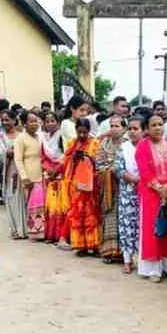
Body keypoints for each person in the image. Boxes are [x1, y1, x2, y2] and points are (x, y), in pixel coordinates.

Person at [135, 112, 167, 281]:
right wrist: (160, 189)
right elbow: (144, 172)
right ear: (146, 129)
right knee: (153, 229)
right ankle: (153, 269)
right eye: (153, 125)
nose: (158, 128)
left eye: (160, 124)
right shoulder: (143, 146)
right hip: (152, 193)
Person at [63, 118, 102, 254]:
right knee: (77, 214)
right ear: (76, 131)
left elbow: (99, 162)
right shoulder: (72, 143)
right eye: (79, 132)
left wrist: (88, 158)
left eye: (84, 132)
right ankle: (80, 246)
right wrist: (73, 158)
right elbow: (65, 161)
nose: (82, 135)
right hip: (76, 185)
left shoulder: (95, 143)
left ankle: (93, 244)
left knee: (91, 214)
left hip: (90, 185)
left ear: (89, 130)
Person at [97, 115, 126, 262]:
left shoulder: (127, 144)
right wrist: (110, 170)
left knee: (124, 218)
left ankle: (124, 252)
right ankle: (109, 252)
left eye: (117, 126)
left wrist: (118, 170)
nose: (114, 129)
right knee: (109, 218)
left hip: (125, 188)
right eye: (112, 126)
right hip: (108, 188)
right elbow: (99, 164)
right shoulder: (104, 144)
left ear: (124, 128)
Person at [116, 116, 143, 273]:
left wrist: (141, 179)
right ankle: (127, 260)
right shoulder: (123, 147)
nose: (132, 132)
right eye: (130, 129)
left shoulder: (146, 146)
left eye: (136, 129)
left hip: (144, 192)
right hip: (127, 193)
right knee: (127, 226)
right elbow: (118, 169)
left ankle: (141, 260)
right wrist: (132, 179)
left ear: (143, 130)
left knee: (141, 226)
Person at [16, 111, 46, 241]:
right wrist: (24, 177)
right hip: (30, 178)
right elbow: (18, 160)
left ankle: (45, 231)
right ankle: (35, 233)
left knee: (43, 206)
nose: (35, 124)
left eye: (36, 121)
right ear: (24, 124)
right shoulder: (20, 139)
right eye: (31, 121)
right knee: (34, 207)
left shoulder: (40, 137)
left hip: (42, 176)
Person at [40, 111, 69, 245]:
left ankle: (60, 235)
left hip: (61, 173)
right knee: (50, 205)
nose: (50, 123)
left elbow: (66, 156)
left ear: (58, 122)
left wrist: (56, 170)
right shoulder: (44, 139)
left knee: (60, 205)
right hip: (49, 174)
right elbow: (43, 156)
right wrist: (48, 168)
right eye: (47, 121)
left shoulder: (62, 136)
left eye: (53, 121)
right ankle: (50, 234)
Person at [0, 111, 27, 239]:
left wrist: (16, 152)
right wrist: (8, 153)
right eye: (3, 120)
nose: (5, 123)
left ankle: (25, 229)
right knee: (11, 198)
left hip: (23, 172)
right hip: (10, 172)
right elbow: (0, 154)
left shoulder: (22, 136)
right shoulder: (0, 138)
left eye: (7, 120)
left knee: (24, 199)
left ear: (14, 120)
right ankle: (15, 229)